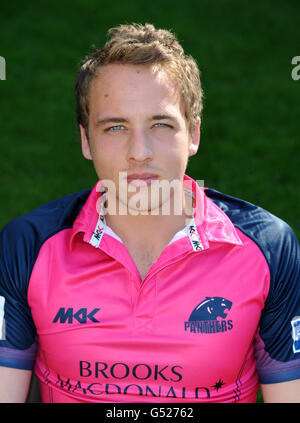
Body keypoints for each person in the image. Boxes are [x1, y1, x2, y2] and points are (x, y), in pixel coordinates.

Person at [0, 23, 300, 404]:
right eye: (115, 127)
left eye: (160, 124)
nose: (138, 151)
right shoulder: (27, 245)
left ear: (193, 134)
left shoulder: (268, 248)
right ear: (85, 140)